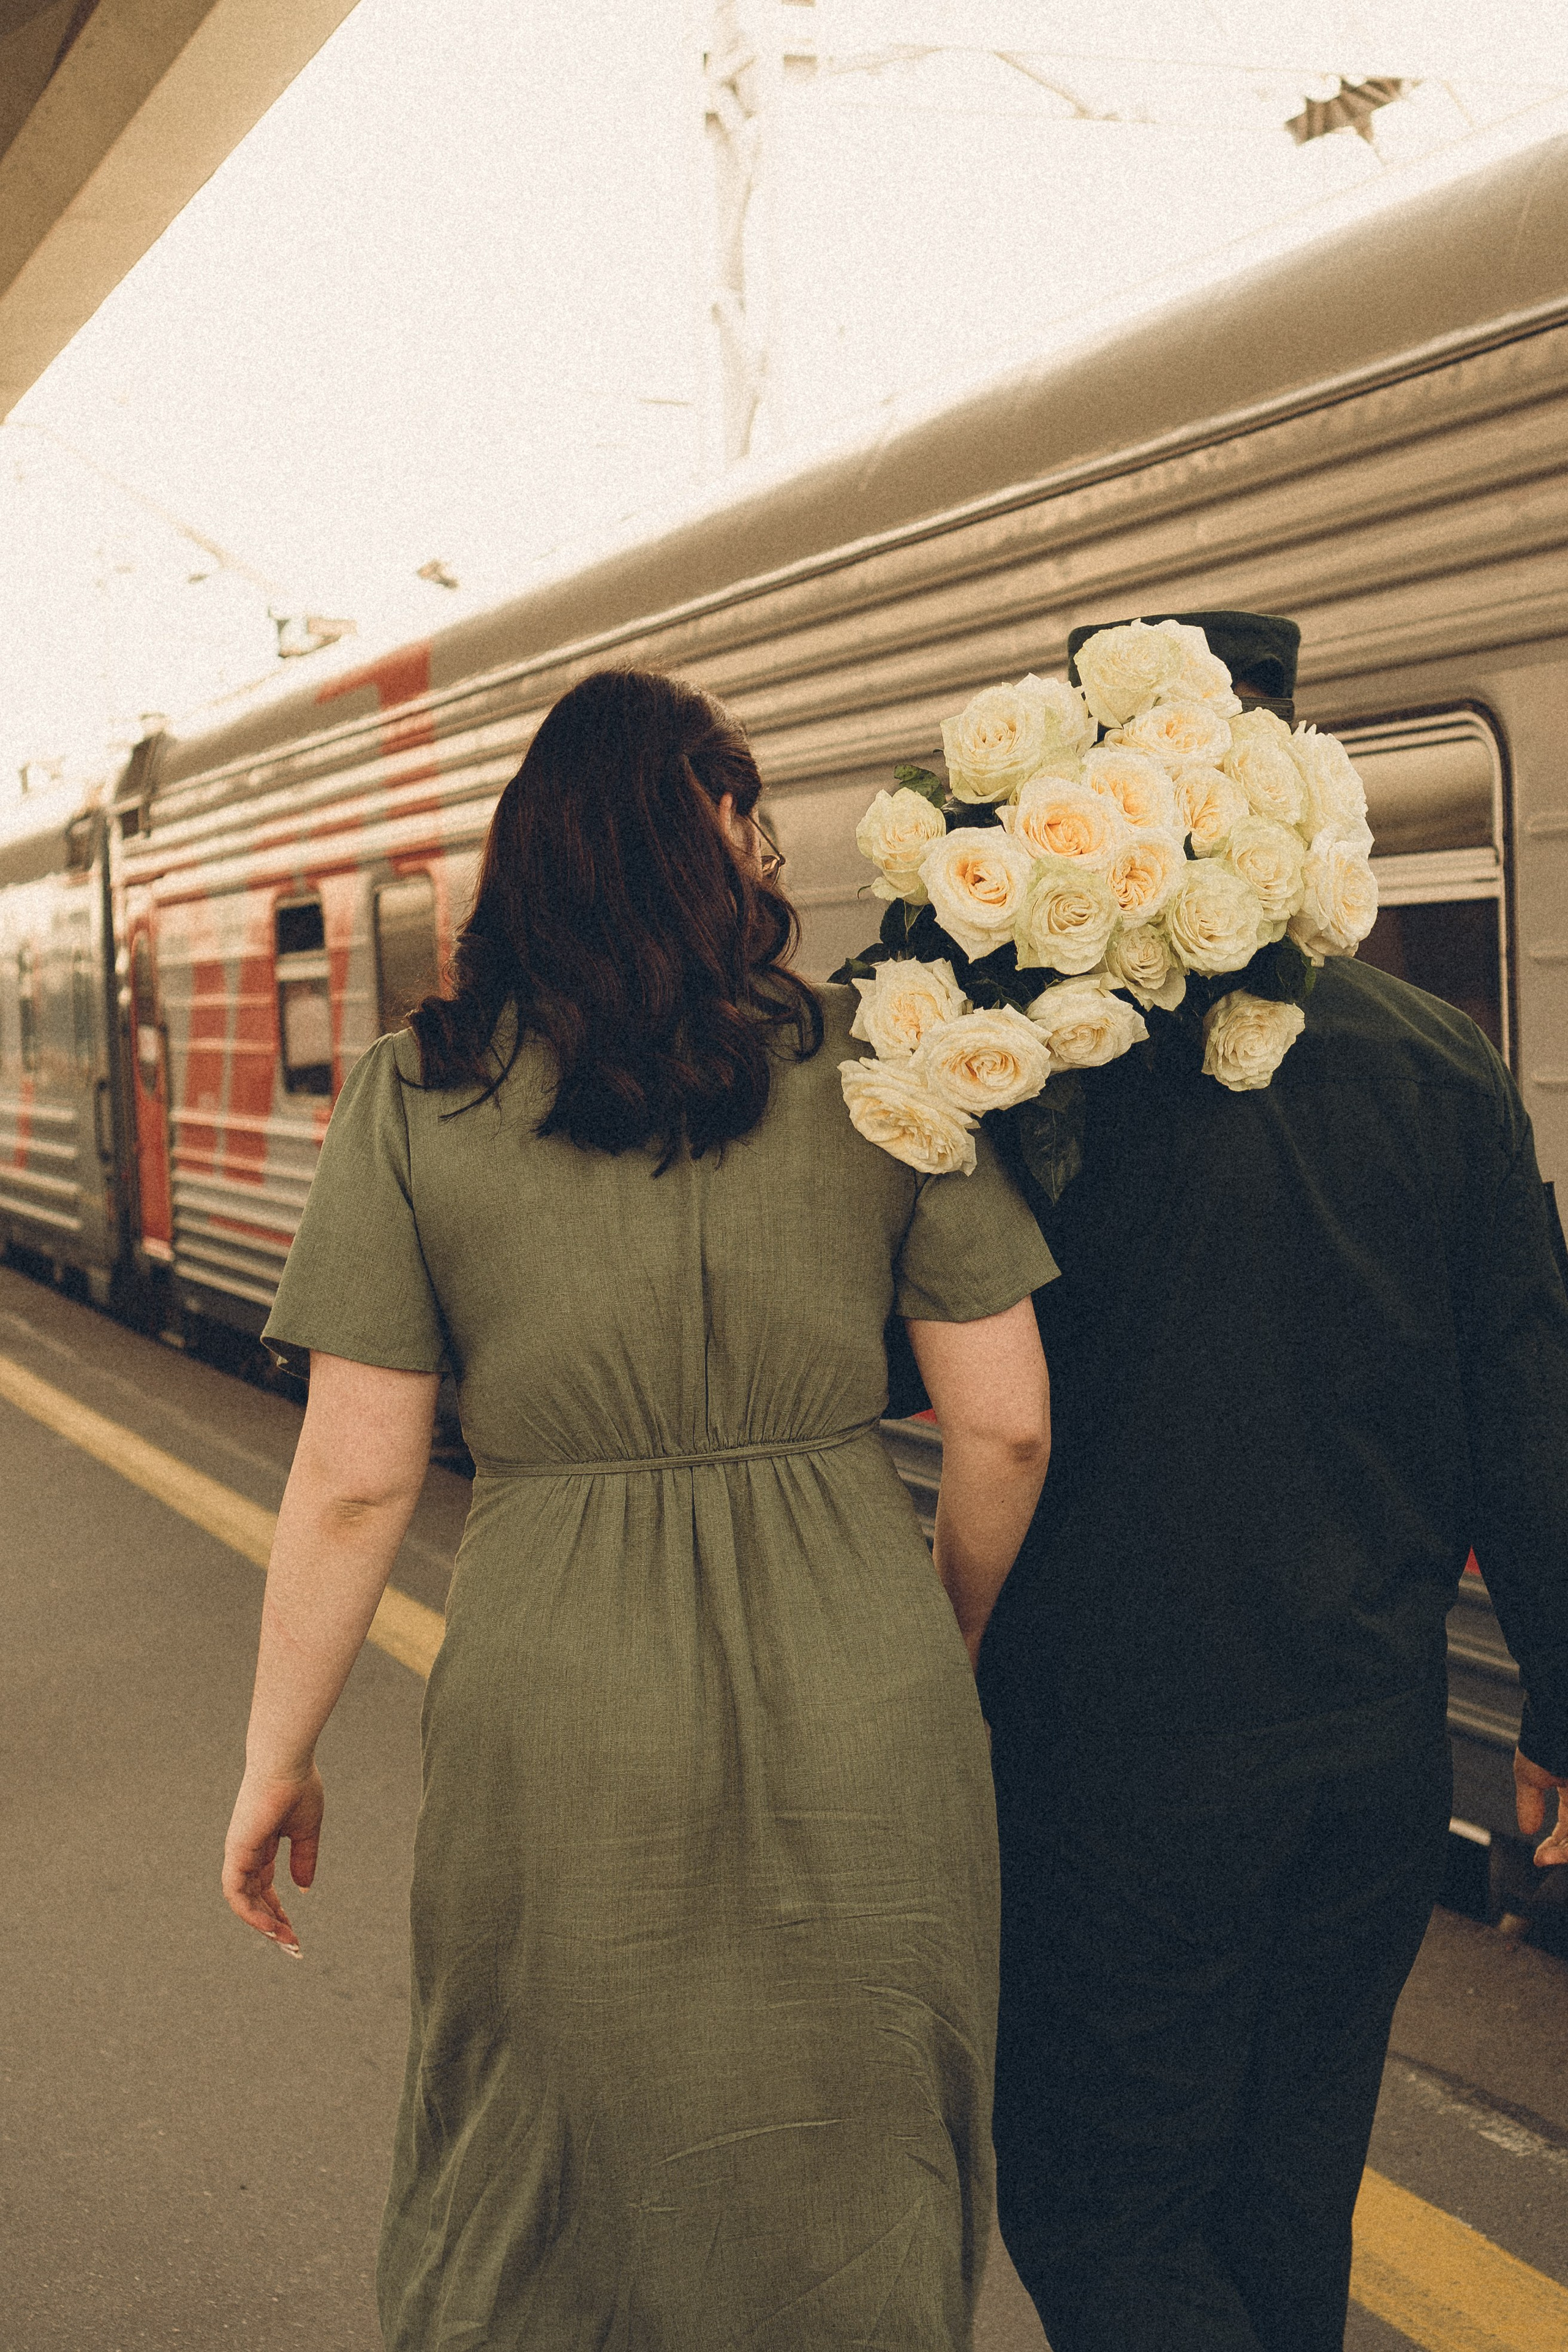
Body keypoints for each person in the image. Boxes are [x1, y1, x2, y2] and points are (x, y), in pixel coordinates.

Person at [221, 667, 1055, 2351]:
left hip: (558, 1685)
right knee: (860, 2133)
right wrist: (932, 1639)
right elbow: (1008, 1426)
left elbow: (359, 1474)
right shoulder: (883, 1068)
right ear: (726, 832)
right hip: (865, 1663)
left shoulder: (418, 1091)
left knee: (551, 2141)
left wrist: (276, 1756)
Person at [978, 609, 1568, 2352]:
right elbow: (1533, 1404)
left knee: (1100, 2207)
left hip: (1116, 1766)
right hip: (1366, 1765)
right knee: (1284, 2214)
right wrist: (1556, 1711)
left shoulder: (1043, 1073)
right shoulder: (1441, 1062)